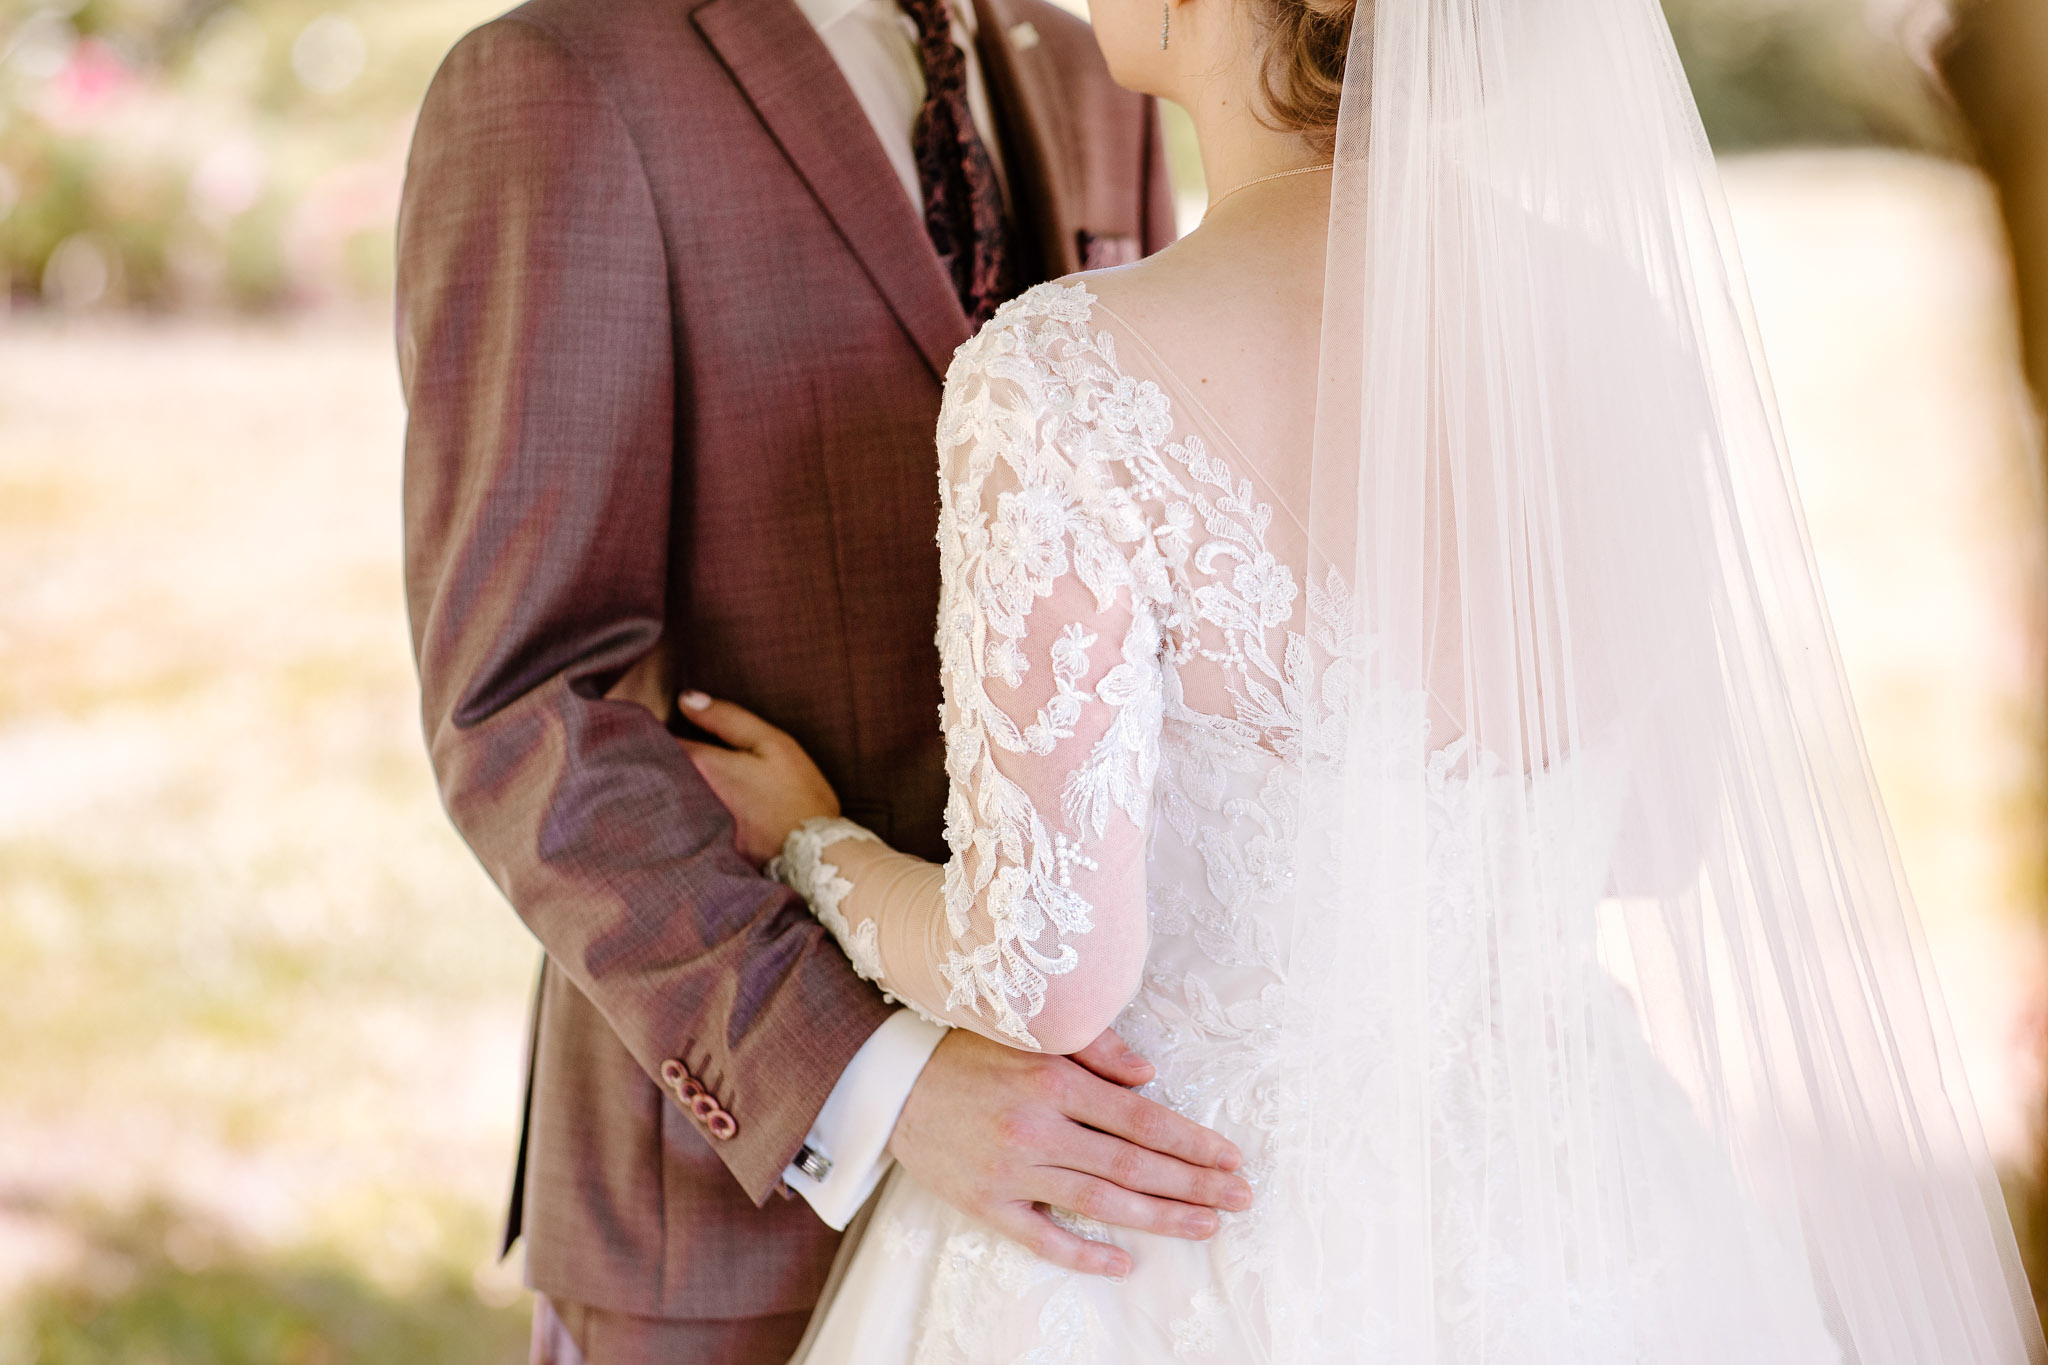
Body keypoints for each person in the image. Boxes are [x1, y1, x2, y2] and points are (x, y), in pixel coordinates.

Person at [678, 0, 2048, 1357]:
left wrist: (813, 841)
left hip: (1193, 1238)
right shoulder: (1617, 326)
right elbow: (1659, 833)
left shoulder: (1066, 380)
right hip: (1582, 1221)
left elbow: (1042, 969)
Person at [394, 0, 1254, 1360]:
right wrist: (879, 1078)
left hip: (1090, 1215)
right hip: (731, 1217)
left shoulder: (1096, 67)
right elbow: (524, 704)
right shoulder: (561, 81)